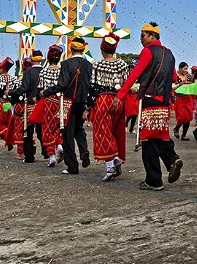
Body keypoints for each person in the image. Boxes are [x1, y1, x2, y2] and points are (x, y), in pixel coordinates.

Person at [112, 22, 183, 191]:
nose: (141, 39)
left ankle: (154, 181)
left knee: (148, 141)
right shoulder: (169, 53)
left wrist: (120, 96)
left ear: (152, 36)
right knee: (159, 136)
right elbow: (174, 78)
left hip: (150, 100)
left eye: (143, 35)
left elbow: (134, 75)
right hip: (164, 102)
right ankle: (171, 160)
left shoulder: (148, 51)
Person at [41, 37, 92, 174]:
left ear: (71, 49)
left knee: (67, 133)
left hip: (68, 102)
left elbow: (62, 84)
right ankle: (84, 151)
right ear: (83, 49)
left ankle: (72, 166)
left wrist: (46, 92)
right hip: (82, 101)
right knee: (79, 129)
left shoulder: (66, 64)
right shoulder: (88, 65)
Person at [90, 34, 130, 181]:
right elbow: (126, 83)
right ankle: (115, 160)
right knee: (115, 130)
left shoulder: (97, 65)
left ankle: (111, 164)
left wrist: (89, 107)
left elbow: (93, 87)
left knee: (103, 132)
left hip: (103, 100)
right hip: (119, 99)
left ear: (102, 49)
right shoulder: (122, 64)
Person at [33, 45, 65, 167]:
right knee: (58, 125)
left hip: (47, 101)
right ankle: (59, 145)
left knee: (46, 128)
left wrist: (36, 97)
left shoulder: (44, 71)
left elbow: (40, 88)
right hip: (60, 100)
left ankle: (51, 156)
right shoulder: (62, 71)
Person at [173, 62, 195, 141]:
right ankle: (176, 128)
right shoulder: (176, 76)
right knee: (182, 116)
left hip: (188, 98)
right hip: (180, 98)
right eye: (184, 69)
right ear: (180, 68)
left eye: (187, 69)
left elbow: (192, 84)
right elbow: (173, 86)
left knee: (188, 117)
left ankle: (184, 135)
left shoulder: (188, 76)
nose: (186, 70)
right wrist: (181, 84)